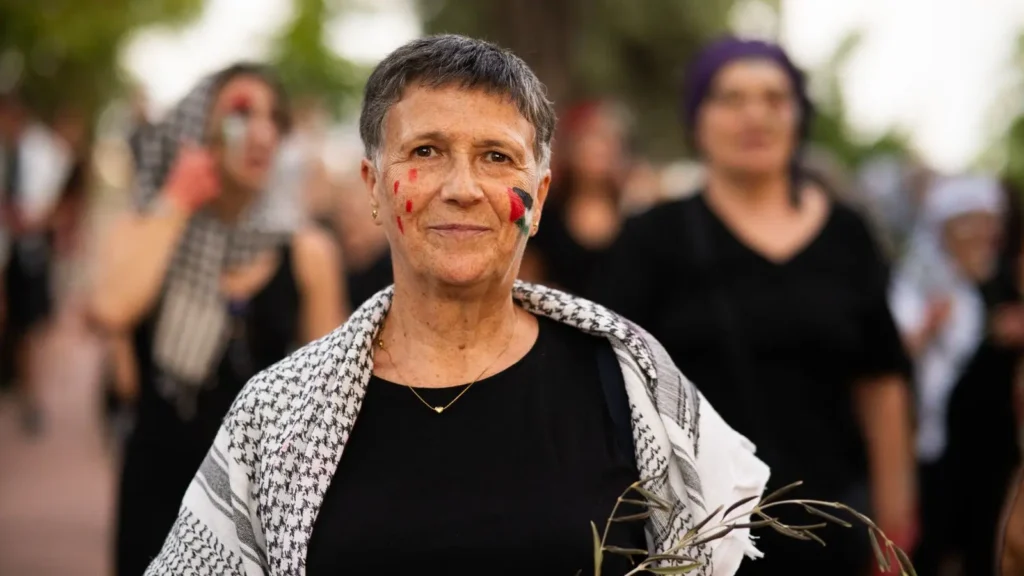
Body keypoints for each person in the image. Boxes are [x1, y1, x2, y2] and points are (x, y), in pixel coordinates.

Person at [143, 35, 771, 576]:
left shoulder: (628, 383)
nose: (463, 188)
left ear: (540, 194)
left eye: (496, 157)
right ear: (373, 188)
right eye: (425, 152)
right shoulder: (276, 414)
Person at [592, 37, 917, 576]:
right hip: (697, 541)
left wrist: (894, 530)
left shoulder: (846, 234)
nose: (755, 115)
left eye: (774, 98)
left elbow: (882, 386)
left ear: (798, 115)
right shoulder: (653, 238)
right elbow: (611, 386)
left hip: (835, 531)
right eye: (731, 98)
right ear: (697, 118)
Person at [88, 63, 345, 576]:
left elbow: (331, 400)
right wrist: (179, 198)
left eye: (276, 119)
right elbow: (110, 308)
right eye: (241, 113)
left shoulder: (306, 251)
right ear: (197, 129)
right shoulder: (149, 226)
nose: (263, 132)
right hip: (159, 487)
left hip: (260, 502)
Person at [889, 174, 1015, 575]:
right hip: (935, 439)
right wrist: (929, 327)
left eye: (987, 222)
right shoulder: (920, 281)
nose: (981, 233)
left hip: (994, 437)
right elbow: (895, 351)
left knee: (987, 535)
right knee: (933, 536)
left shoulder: (1002, 279)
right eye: (970, 222)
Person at [0, 89, 73, 435]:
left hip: (29, 251)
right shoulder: (10, 151)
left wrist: (35, 220)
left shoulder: (42, 151)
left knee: (31, 326)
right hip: (11, 251)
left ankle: (32, 396)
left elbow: (55, 202)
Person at [521, 99, 630, 293]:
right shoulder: (544, 214)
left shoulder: (634, 215)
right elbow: (528, 279)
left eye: (604, 141)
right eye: (588, 140)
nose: (596, 150)